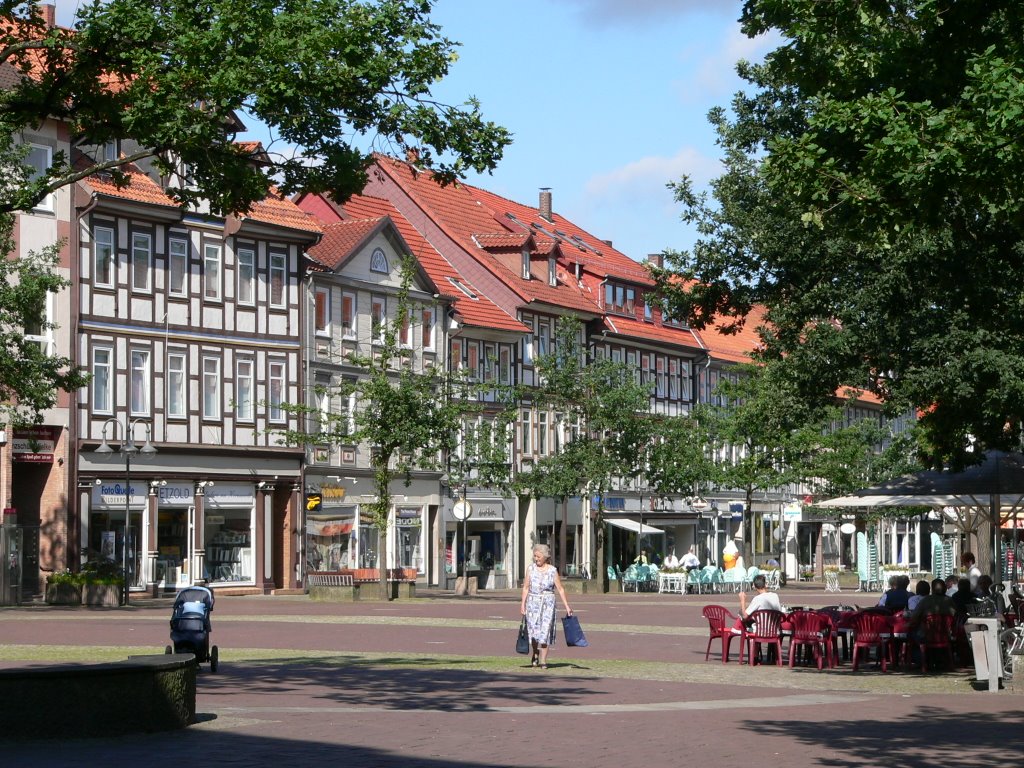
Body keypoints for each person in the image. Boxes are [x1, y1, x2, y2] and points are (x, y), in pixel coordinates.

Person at [520, 543, 572, 669]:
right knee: (533, 631)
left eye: (538, 556)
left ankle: (543, 659)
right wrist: (523, 604)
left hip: (548, 603)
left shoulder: (552, 570)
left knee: (545, 631)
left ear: (545, 557)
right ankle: (535, 652)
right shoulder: (530, 569)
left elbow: (560, 589)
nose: (536, 559)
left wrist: (567, 606)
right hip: (533, 602)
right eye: (535, 556)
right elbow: (526, 587)